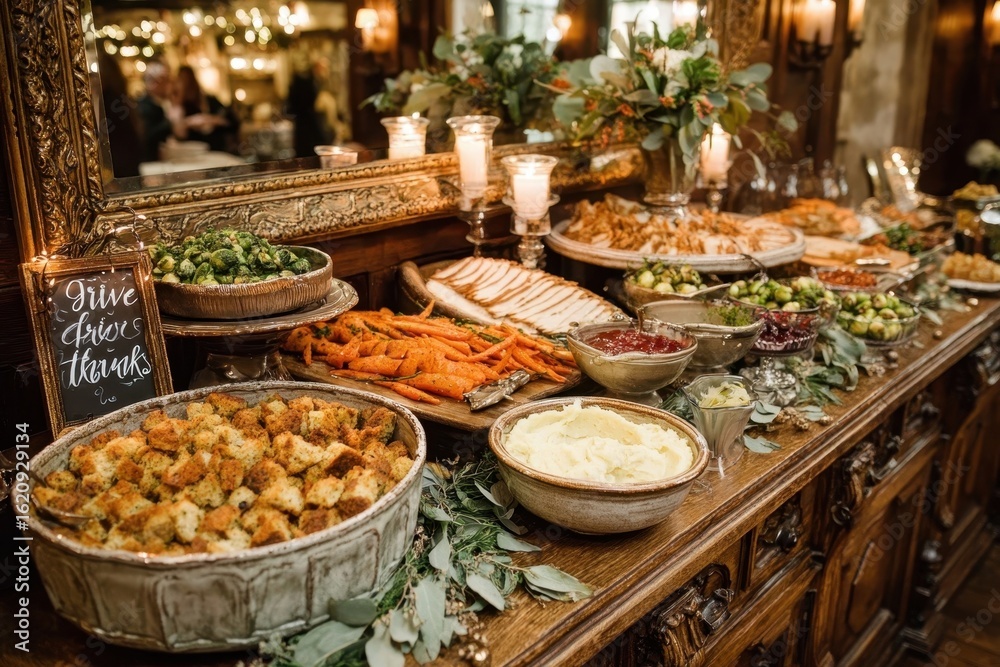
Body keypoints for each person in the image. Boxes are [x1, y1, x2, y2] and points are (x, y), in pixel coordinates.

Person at [169, 65, 238, 154]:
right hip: (194, 153)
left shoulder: (211, 100)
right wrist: (189, 122)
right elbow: (179, 135)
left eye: (188, 80)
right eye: (182, 80)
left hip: (219, 150)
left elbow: (232, 122)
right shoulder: (180, 106)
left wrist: (211, 120)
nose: (186, 84)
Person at [96, 50, 141, 177]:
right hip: (129, 161)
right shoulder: (120, 96)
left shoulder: (109, 99)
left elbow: (105, 132)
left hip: (119, 165)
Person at [136, 61, 175, 162]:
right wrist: (171, 124)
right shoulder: (144, 106)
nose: (169, 84)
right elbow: (148, 136)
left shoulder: (161, 102)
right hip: (149, 162)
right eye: (165, 80)